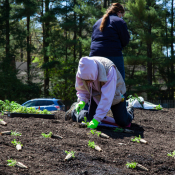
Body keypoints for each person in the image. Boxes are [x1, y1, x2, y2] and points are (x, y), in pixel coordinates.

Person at [65, 56, 134, 129]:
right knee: (89, 119)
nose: (88, 82)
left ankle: (129, 111)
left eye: (89, 80)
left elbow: (107, 98)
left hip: (116, 94)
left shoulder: (109, 70)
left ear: (95, 72)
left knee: (122, 122)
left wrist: (96, 119)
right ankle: (73, 112)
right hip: (96, 94)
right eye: (85, 80)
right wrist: (82, 100)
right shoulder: (82, 71)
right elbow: (82, 89)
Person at [89, 3, 130, 81]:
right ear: (119, 12)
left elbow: (93, 40)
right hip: (113, 54)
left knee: (97, 84)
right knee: (119, 82)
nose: (122, 16)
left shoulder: (97, 22)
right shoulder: (119, 21)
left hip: (94, 56)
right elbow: (125, 41)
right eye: (122, 14)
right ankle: (119, 93)